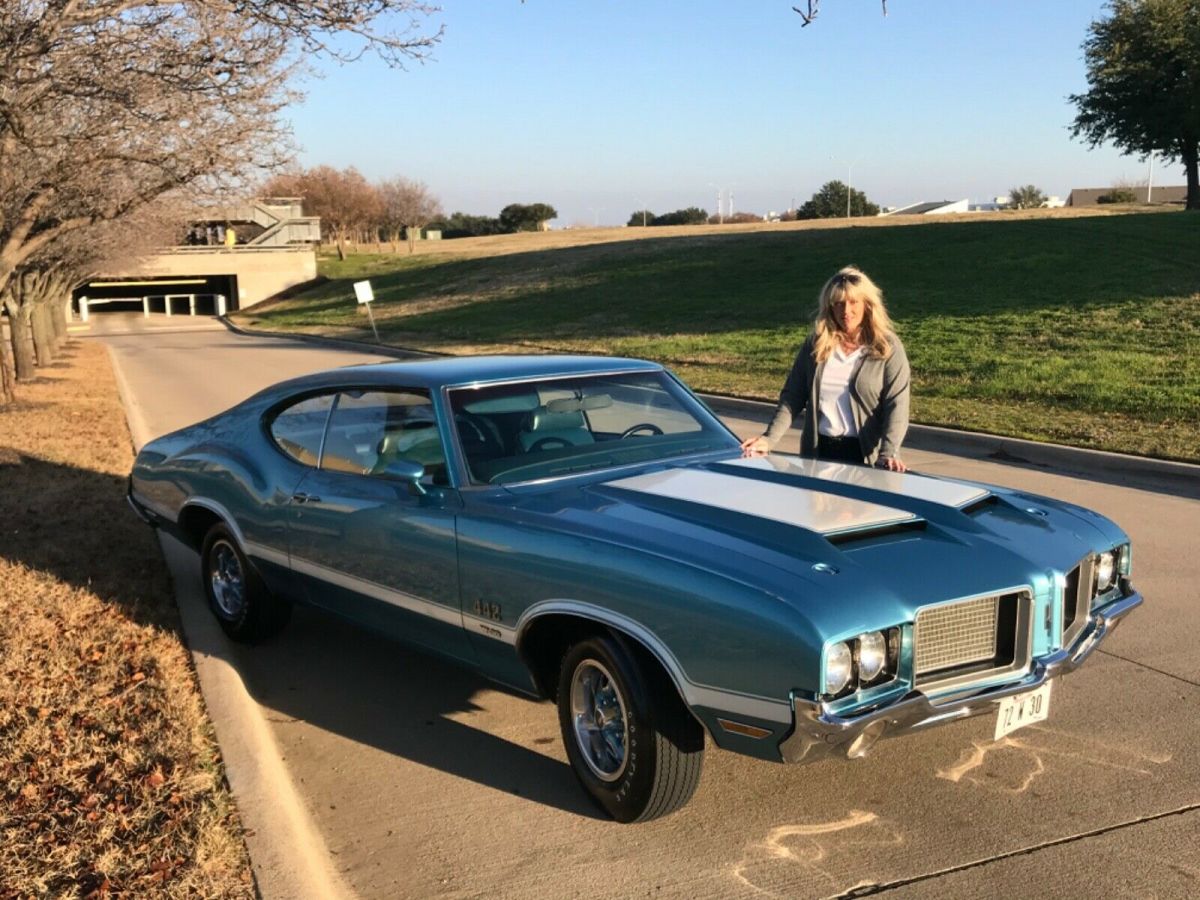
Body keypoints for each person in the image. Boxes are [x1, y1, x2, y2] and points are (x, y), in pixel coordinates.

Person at [740, 265, 911, 471]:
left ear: (867, 304)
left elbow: (897, 406)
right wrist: (768, 439)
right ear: (829, 307)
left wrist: (889, 453)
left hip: (865, 459)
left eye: (853, 302)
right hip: (818, 455)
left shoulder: (887, 347)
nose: (846, 311)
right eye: (838, 303)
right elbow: (792, 397)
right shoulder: (816, 344)